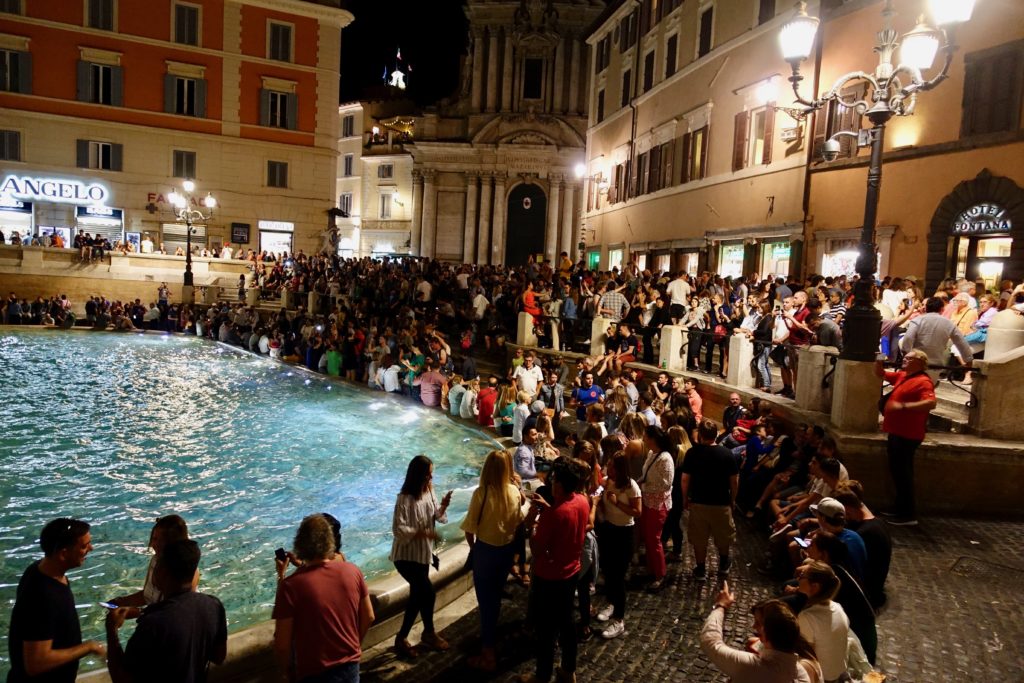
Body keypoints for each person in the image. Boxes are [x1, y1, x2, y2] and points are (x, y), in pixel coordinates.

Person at [104, 539, 227, 683]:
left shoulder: (153, 624)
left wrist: (111, 630)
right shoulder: (214, 605)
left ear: (162, 571)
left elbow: (121, 679)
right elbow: (218, 657)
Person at [273, 514, 374, 682]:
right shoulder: (352, 571)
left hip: (313, 671)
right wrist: (355, 647)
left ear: (300, 543)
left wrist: (286, 672)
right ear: (331, 542)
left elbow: (282, 644)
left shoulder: (290, 586)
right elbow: (369, 616)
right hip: (350, 667)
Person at [516, 458, 590, 683]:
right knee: (566, 623)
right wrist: (549, 511)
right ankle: (568, 670)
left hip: (549, 576)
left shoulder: (553, 514)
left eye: (554, 478)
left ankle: (542, 676)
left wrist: (532, 524)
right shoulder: (582, 501)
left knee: (546, 630)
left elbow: (537, 550)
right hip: (571, 571)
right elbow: (564, 521)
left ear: (558, 483)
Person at [8, 518, 106, 682]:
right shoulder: (43, 596)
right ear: (63, 553)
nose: (91, 548)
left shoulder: (39, 569)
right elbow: (36, 663)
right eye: (83, 546)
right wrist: (89, 647)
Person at [461, 451, 527, 672]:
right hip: (505, 551)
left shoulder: (481, 493)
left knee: (485, 601)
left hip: (486, 552)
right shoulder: (514, 492)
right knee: (495, 598)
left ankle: (488, 653)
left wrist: (475, 549)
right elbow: (518, 522)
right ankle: (490, 639)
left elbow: (469, 530)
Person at [389, 455, 453, 658]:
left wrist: (443, 506)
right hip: (406, 557)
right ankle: (426, 633)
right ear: (417, 476)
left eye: (432, 475)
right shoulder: (404, 499)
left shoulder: (429, 491)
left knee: (418, 595)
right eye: (427, 476)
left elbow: (438, 517)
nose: (431, 479)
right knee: (427, 593)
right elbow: (398, 530)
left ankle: (409, 637)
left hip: (423, 554)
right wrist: (422, 533)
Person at [701, 587, 823, 683]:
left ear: (769, 633)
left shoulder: (752, 666)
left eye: (758, 623)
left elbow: (711, 642)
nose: (754, 627)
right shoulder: (800, 673)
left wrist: (721, 606)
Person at [875, 350, 936, 526]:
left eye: (910, 358)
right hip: (896, 431)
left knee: (903, 475)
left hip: (908, 434)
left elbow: (931, 403)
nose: (905, 360)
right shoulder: (903, 375)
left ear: (920, 362)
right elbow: (880, 374)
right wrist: (878, 359)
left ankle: (908, 514)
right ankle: (898, 507)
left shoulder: (923, 382)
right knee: (897, 472)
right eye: (906, 357)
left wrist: (903, 406)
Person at [681, 419, 739, 581]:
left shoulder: (692, 453)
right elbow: (734, 481)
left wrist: (685, 498)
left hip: (699, 502)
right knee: (723, 536)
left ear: (700, 435)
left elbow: (685, 479)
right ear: (716, 435)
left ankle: (700, 569)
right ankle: (723, 564)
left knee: (699, 538)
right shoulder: (727, 454)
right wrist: (733, 500)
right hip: (721, 503)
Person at [595, 453, 642, 639]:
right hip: (608, 530)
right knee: (607, 570)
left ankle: (619, 620)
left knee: (618, 576)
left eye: (612, 466)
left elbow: (637, 512)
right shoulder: (607, 482)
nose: (609, 470)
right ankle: (611, 602)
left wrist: (617, 504)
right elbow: (597, 497)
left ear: (620, 469)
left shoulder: (631, 487)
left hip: (624, 533)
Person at [109, 515, 197, 608]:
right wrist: (120, 602)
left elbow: (176, 609)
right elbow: (147, 596)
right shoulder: (155, 560)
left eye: (157, 539)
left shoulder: (189, 572)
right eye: (153, 539)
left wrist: (137, 613)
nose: (152, 544)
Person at [638, 425, 675, 593]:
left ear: (652, 438)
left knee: (654, 539)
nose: (643, 439)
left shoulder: (665, 458)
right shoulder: (652, 454)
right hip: (647, 501)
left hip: (658, 504)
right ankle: (652, 568)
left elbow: (665, 483)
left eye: (645, 436)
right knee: (648, 537)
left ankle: (660, 575)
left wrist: (643, 486)